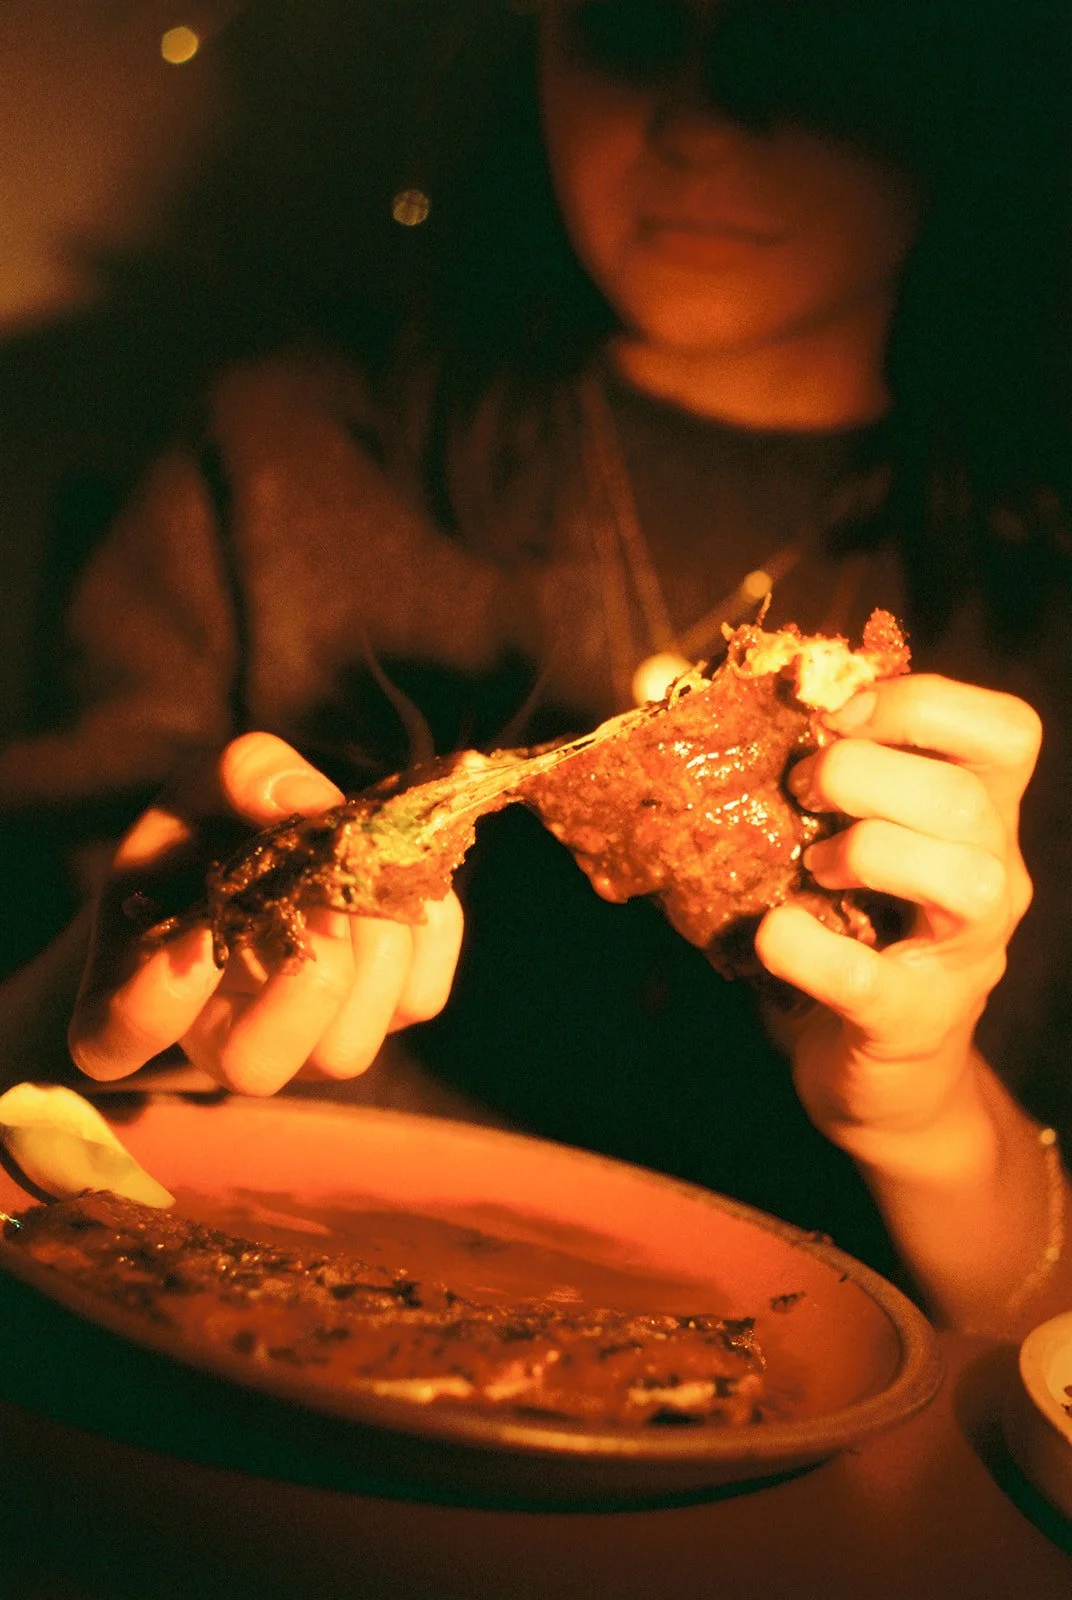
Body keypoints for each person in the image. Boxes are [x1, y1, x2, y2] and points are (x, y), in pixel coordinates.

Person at [1, 0, 1069, 1338]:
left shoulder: (1041, 609)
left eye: (807, 35)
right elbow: (30, 1043)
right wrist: (99, 980)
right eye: (628, 27)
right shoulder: (282, 457)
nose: (695, 118)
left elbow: (1047, 1330)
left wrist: (928, 1114)